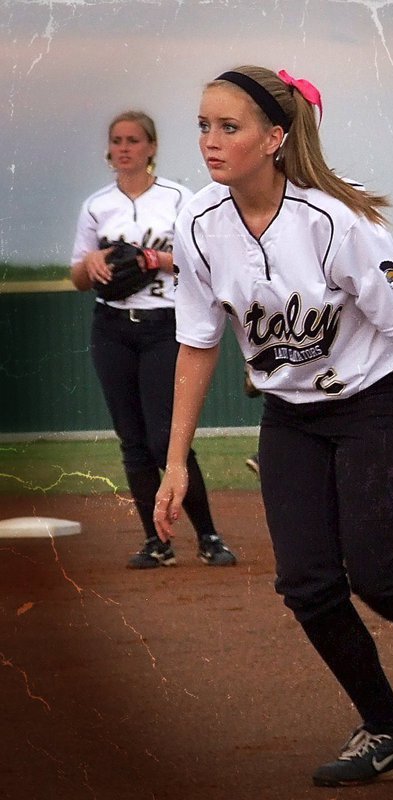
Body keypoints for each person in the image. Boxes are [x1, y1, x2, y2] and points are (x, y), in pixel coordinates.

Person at [153, 67, 393, 786]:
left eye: (229, 127)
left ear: (276, 138)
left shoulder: (341, 223)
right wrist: (176, 461)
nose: (210, 142)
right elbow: (197, 341)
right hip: (293, 417)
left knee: (381, 576)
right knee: (307, 584)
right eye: (203, 126)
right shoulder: (199, 223)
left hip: (380, 403)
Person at [70, 110, 236, 569]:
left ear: (151, 147)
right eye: (117, 140)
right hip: (113, 327)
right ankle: (156, 542)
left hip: (165, 324)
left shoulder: (179, 199)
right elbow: (77, 276)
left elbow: (198, 260)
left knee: (166, 437)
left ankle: (208, 535)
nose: (124, 147)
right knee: (133, 439)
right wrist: (94, 263)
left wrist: (150, 258)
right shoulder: (96, 205)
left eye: (133, 140)